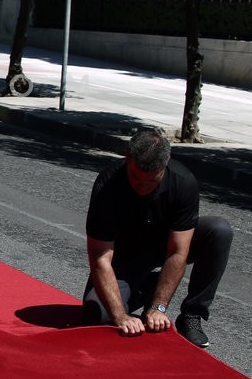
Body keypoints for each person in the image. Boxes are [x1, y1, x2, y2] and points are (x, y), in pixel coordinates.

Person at [83, 129, 233, 348]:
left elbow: (178, 251)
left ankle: (191, 315)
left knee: (219, 231)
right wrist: (120, 316)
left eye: (151, 182)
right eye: (135, 178)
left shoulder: (183, 182)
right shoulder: (107, 185)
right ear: (128, 159)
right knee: (96, 313)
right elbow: (100, 257)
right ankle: (147, 287)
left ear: (165, 165)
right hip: (126, 256)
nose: (142, 187)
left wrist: (159, 307)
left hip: (165, 245)